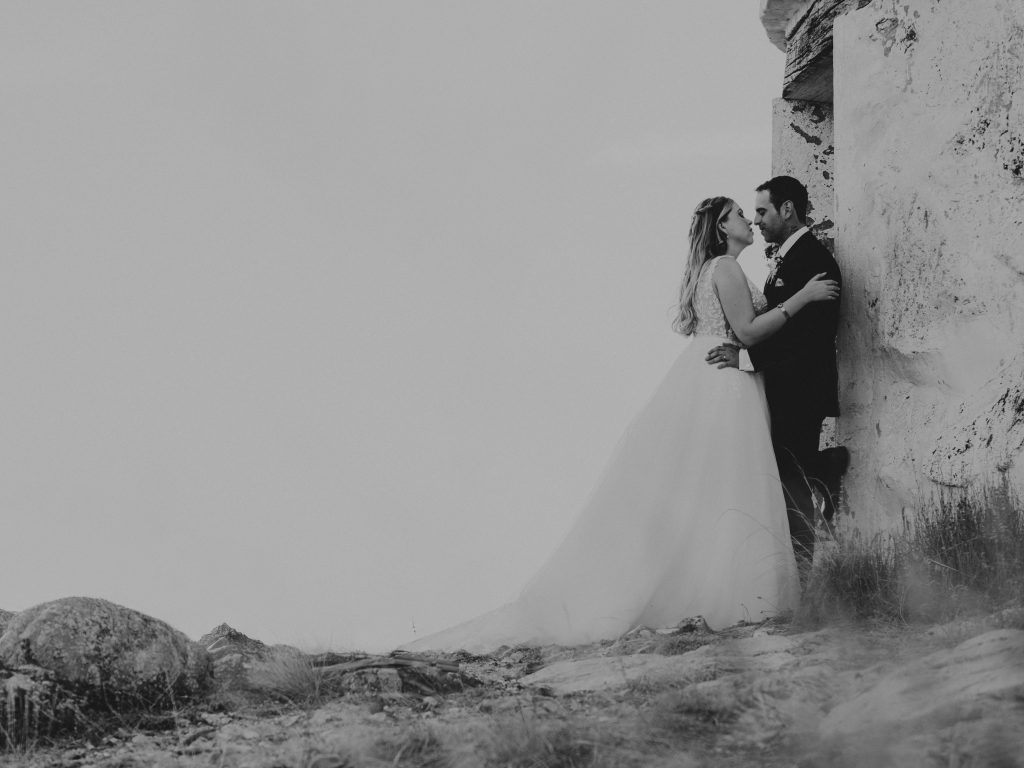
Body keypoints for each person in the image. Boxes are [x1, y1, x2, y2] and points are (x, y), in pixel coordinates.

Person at [401, 196, 839, 654]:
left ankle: (705, 586)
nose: (748, 220)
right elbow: (747, 333)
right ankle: (730, 595)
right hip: (723, 386)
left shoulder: (712, 270)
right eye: (739, 215)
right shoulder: (725, 269)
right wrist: (802, 298)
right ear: (721, 229)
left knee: (704, 490)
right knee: (727, 486)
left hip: (709, 378)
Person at [706, 176, 845, 573]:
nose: (757, 220)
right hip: (782, 388)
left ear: (787, 209)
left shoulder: (814, 262)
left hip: (801, 389)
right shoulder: (786, 257)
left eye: (763, 211)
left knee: (792, 484)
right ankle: (826, 469)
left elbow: (809, 338)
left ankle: (801, 576)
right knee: (784, 479)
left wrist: (747, 360)